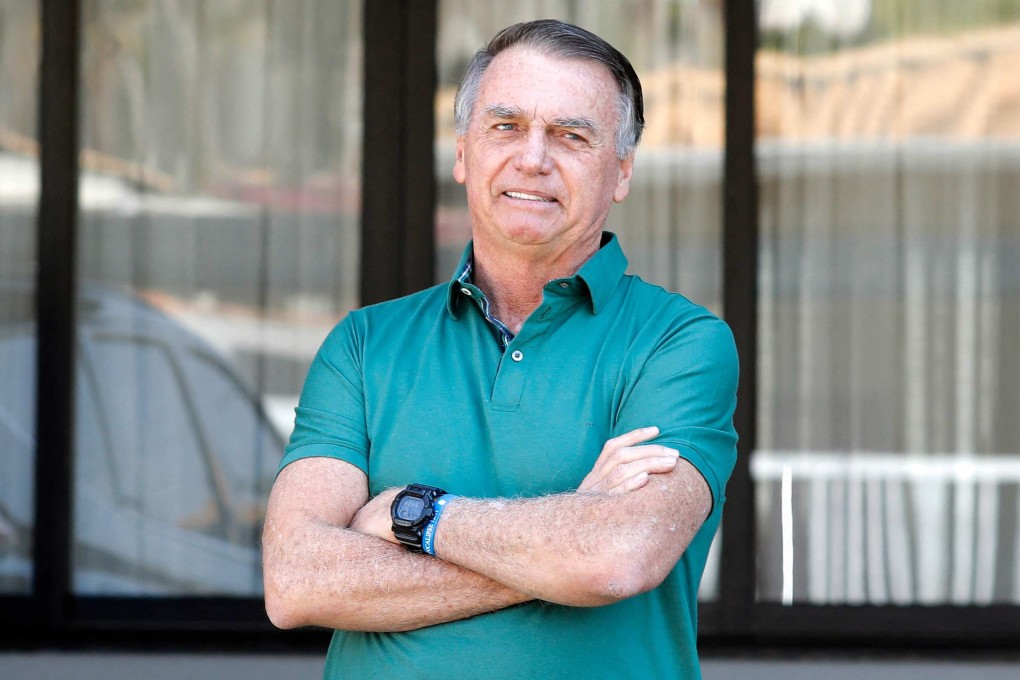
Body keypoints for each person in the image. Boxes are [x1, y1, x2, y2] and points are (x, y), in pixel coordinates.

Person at [262, 19, 738, 680]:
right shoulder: (365, 346)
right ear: (463, 153)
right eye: (505, 126)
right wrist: (564, 540)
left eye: (571, 135)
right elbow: (296, 582)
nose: (533, 158)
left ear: (621, 170)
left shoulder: (678, 344)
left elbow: (619, 556)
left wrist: (412, 515)